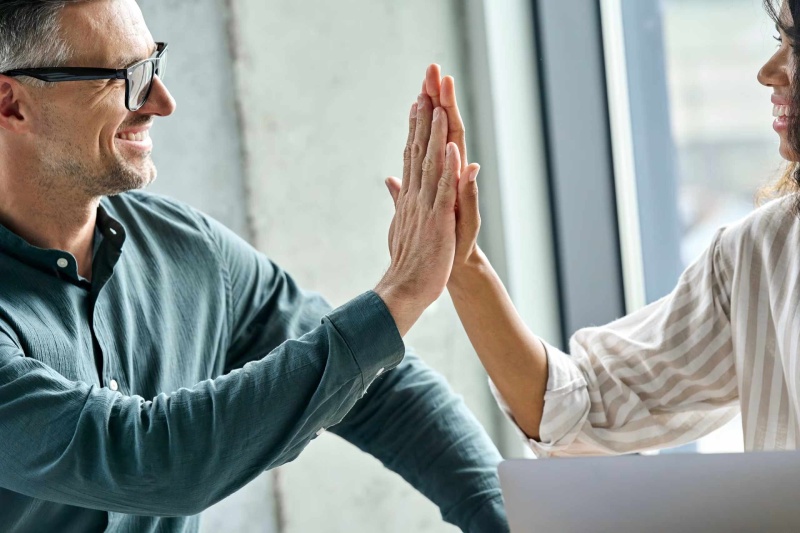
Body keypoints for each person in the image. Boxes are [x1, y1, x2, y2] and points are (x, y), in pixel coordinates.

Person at [0, 0, 508, 531]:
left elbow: (380, 388)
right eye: (122, 77)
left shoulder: (189, 250)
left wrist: (507, 514)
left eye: (153, 66)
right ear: (12, 104)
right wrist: (400, 295)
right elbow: (146, 461)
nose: (162, 102)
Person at [397, 0, 800, 457]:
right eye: (778, 40)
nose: (769, 72)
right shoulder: (762, 255)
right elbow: (581, 410)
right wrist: (462, 263)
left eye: (795, 46)